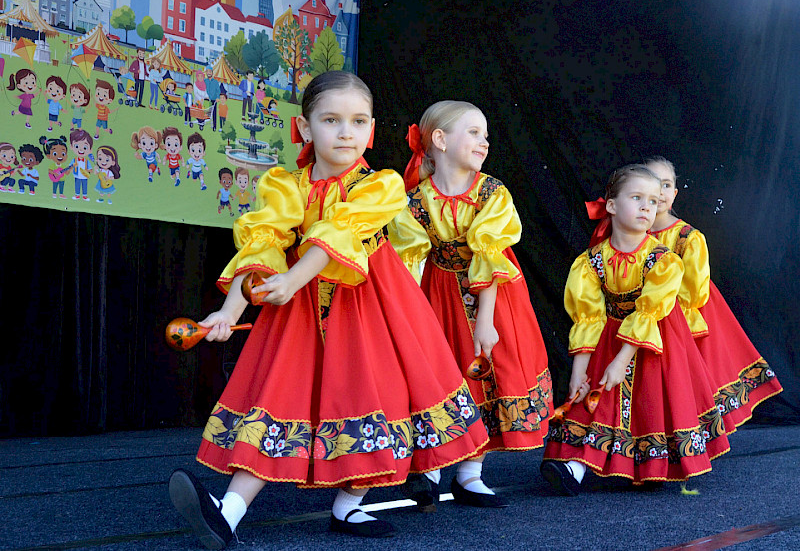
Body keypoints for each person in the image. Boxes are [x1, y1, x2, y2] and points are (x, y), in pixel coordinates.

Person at [168, 71, 488, 548]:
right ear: (304, 128)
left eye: (358, 122)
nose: (345, 132)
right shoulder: (285, 185)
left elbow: (335, 236)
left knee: (373, 398)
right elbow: (264, 245)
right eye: (331, 120)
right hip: (296, 313)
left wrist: (293, 280)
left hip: (370, 308)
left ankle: (347, 507)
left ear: (372, 130)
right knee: (279, 396)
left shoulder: (379, 185)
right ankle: (228, 513)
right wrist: (228, 311)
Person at [389, 101, 553, 510]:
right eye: (474, 132)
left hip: (495, 295)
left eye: (485, 134)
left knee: (485, 372)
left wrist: (485, 319)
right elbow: (409, 261)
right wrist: (409, 316)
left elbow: (489, 254)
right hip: (440, 293)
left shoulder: (492, 193)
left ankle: (469, 476)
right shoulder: (415, 201)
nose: (484, 141)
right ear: (440, 140)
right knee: (440, 374)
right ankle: (428, 472)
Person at [541, 164, 734, 495]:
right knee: (595, 399)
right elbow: (588, 317)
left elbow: (649, 313)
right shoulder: (590, 262)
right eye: (637, 198)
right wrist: (579, 371)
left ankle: (645, 465)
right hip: (610, 338)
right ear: (612, 205)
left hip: (656, 344)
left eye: (653, 200)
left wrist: (621, 359)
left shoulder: (665, 261)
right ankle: (574, 468)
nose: (648, 207)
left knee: (650, 404)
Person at [645, 156, 782, 429]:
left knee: (686, 378)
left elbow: (694, 291)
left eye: (665, 185)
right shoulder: (634, 232)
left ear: (674, 193)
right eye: (651, 183)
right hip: (643, 315)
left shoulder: (687, 237)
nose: (658, 192)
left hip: (682, 315)